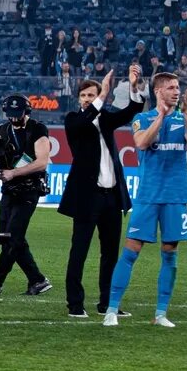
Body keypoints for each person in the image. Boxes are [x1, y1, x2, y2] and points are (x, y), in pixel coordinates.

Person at [106, 72, 187, 328]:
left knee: (170, 254)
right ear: (158, 91)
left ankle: (161, 314)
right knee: (131, 252)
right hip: (149, 196)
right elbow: (141, 143)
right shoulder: (142, 118)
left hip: (175, 196)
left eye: (178, 87)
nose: (176, 91)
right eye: (171, 87)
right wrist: (161, 116)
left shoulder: (183, 118)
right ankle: (111, 310)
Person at [60, 66, 144, 318]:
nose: (87, 99)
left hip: (111, 197)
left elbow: (132, 111)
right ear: (79, 99)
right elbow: (86, 121)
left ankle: (108, 303)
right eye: (84, 96)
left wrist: (133, 86)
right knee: (79, 251)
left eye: (91, 95)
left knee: (110, 254)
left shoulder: (105, 119)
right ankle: (75, 304)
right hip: (87, 198)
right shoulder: (73, 120)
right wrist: (102, 95)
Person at [0, 94, 53, 297]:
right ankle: (37, 280)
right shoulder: (2, 131)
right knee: (9, 239)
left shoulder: (37, 129)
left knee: (13, 236)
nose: (14, 118)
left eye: (18, 114)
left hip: (29, 189)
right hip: (8, 191)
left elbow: (42, 161)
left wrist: (13, 173)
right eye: (10, 114)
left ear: (27, 112)